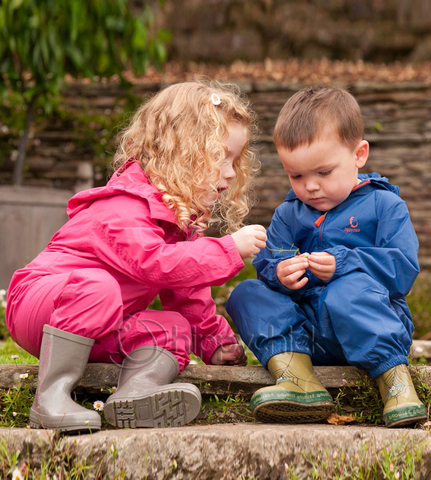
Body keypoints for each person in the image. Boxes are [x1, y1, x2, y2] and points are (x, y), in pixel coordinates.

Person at [5, 81, 267, 432]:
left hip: (101, 325)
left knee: (173, 328)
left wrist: (214, 342)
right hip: (41, 304)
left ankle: (136, 392)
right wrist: (228, 248)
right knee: (99, 288)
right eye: (221, 157)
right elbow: (156, 264)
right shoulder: (124, 205)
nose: (231, 173)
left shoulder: (179, 220)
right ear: (183, 153)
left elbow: (186, 288)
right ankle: (50, 397)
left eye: (235, 161)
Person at [226, 85, 426, 428]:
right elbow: (271, 262)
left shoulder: (384, 206)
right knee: (246, 294)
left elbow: (402, 269)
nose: (310, 187)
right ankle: (299, 380)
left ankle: (395, 382)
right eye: (297, 176)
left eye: (323, 172)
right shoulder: (289, 214)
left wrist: (346, 263)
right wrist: (280, 273)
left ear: (358, 155)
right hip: (308, 337)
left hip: (371, 326)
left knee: (344, 291)